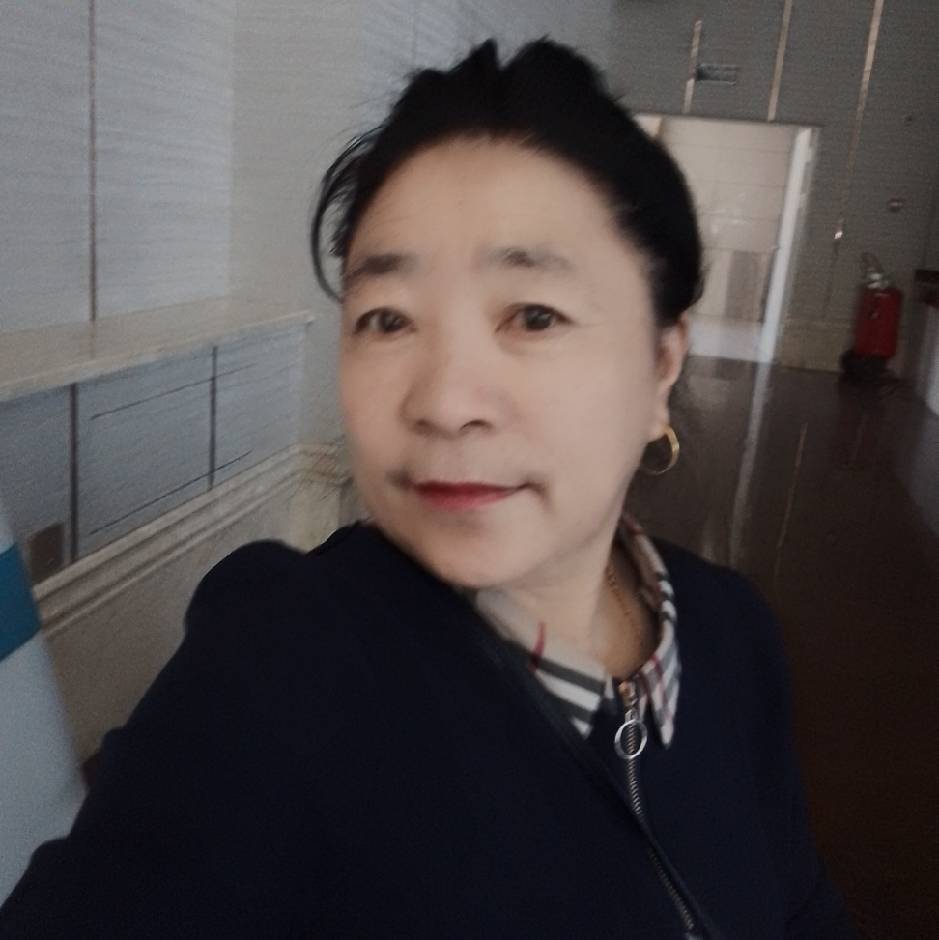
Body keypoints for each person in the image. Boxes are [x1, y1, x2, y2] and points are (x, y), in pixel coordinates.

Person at [0, 39, 855, 938]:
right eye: (387, 319)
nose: (443, 402)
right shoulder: (280, 669)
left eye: (533, 315)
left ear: (659, 366)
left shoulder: (729, 633)